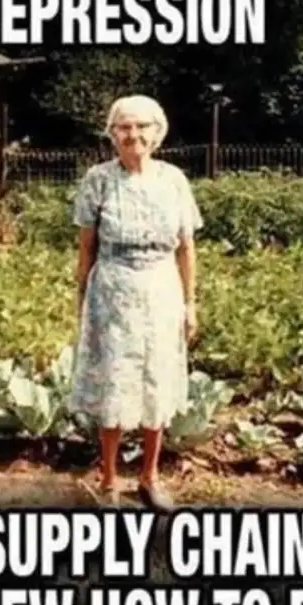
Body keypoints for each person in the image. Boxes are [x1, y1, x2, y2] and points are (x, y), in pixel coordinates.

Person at [69, 94, 203, 512]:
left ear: (157, 132)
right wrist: (82, 301)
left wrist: (190, 303)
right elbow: (86, 249)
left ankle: (149, 477)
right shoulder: (99, 180)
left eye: (142, 126)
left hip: (162, 290)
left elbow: (186, 248)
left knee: (156, 381)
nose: (134, 134)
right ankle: (109, 480)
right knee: (116, 381)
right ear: (112, 135)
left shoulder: (174, 180)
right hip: (113, 291)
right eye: (124, 127)